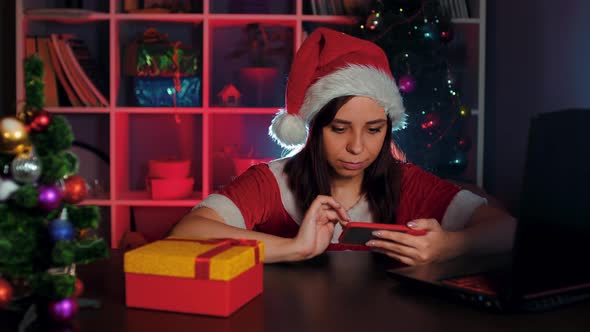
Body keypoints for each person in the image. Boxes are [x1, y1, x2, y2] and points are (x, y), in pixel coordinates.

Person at [171, 28, 516, 264]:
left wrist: (449, 246)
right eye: (339, 129)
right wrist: (294, 248)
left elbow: (508, 229)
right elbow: (186, 233)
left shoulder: (406, 181)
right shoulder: (272, 182)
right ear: (315, 129)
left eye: (374, 129)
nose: (357, 148)